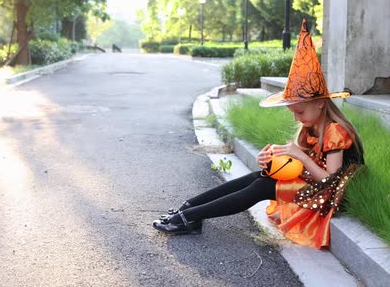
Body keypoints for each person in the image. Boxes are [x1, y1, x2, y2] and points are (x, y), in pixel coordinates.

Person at [152, 19, 365, 249]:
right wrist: (272, 159)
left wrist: (300, 156)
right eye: (293, 112)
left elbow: (328, 180)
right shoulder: (313, 126)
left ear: (320, 104)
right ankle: (189, 209)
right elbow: (304, 163)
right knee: (260, 177)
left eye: (300, 111)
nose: (296, 118)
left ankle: (189, 217)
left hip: (328, 196)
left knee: (262, 187)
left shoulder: (336, 130)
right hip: (317, 187)